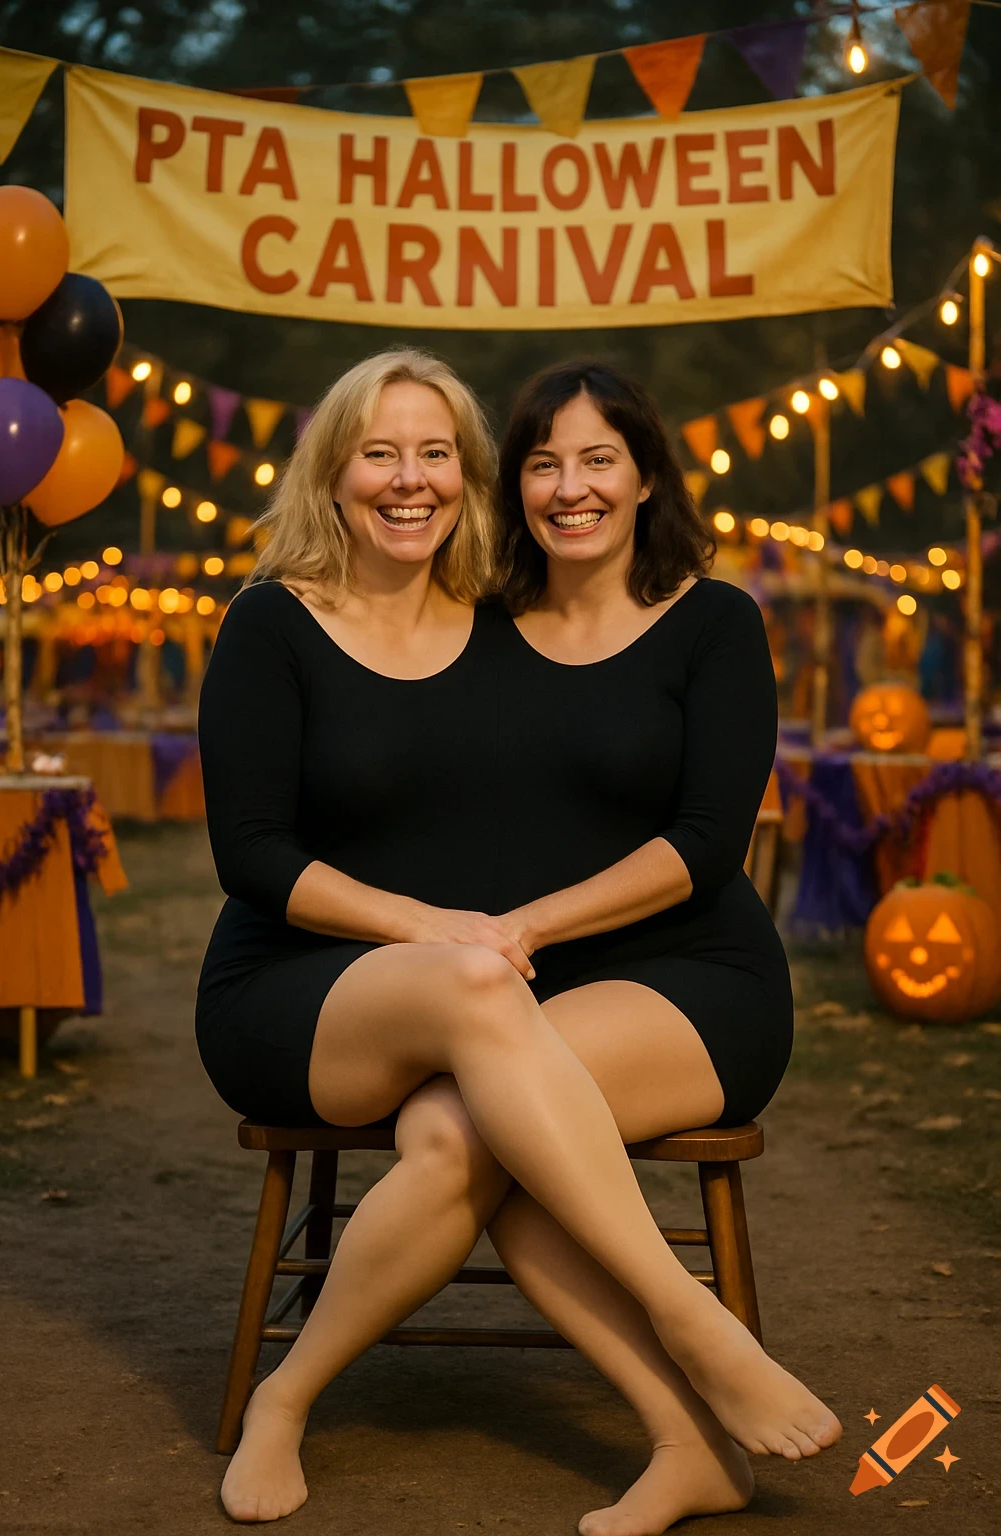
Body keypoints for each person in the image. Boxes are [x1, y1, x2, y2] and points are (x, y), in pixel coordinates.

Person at [197, 349, 840, 1531]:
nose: (409, 478)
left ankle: (302, 1399)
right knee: (482, 1013)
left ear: (649, 475)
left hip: (650, 979)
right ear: (329, 472)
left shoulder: (656, 623)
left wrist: (503, 932)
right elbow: (251, 853)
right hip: (344, 983)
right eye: (544, 462)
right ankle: (691, 1324)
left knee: (461, 1123)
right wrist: (457, 933)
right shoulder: (361, 621)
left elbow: (705, 840)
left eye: (436, 452)